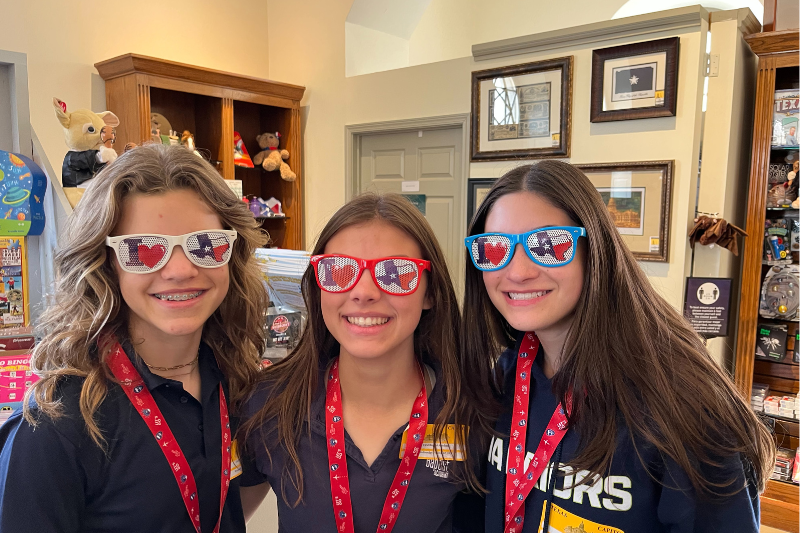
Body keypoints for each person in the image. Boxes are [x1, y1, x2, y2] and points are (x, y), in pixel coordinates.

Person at [461, 161, 775, 532]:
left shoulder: (683, 405)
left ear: (595, 250)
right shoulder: (507, 375)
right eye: (494, 248)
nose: (517, 271)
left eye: (548, 245)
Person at [0, 144, 268, 532]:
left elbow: (232, 502)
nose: (180, 270)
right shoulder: (54, 424)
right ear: (105, 263)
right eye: (143, 250)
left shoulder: (238, 378)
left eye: (205, 244)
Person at [239, 193, 489, 532]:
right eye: (339, 270)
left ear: (430, 292)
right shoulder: (268, 404)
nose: (364, 292)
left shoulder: (474, 410)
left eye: (396, 273)